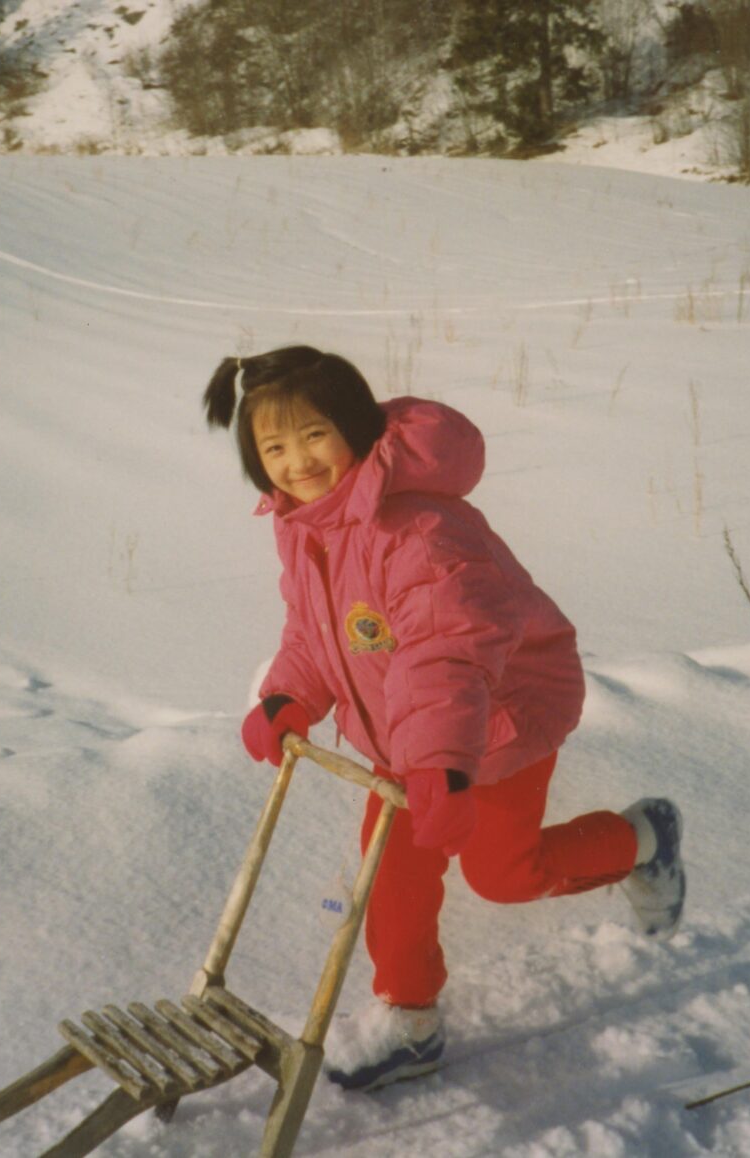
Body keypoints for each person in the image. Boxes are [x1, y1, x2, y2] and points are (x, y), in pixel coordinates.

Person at [203, 345, 685, 1093]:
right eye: (273, 446)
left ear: (356, 429)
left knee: (504, 874)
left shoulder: (418, 531)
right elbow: (316, 630)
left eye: (314, 434)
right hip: (414, 733)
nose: (297, 461)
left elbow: (445, 654)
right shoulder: (308, 527)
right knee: (388, 875)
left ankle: (644, 838)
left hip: (495, 719)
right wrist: (288, 695)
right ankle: (412, 1020)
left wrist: (439, 761)